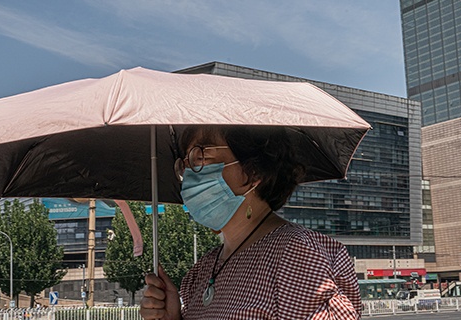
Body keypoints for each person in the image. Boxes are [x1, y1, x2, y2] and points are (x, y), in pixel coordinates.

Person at [139, 126, 362, 319]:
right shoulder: (205, 268)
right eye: (186, 162)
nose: (189, 172)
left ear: (254, 172)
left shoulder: (295, 254)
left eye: (201, 156)